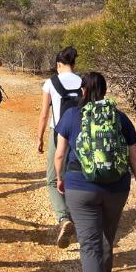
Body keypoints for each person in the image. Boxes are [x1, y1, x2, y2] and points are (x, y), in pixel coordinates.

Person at [54, 72, 136, 272]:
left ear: (83, 91)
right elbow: (135, 158)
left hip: (80, 189)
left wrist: (60, 179)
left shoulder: (72, 116)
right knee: (106, 237)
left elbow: (60, 153)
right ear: (105, 92)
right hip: (116, 188)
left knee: (90, 244)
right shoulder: (120, 118)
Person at [36, 46, 82, 248]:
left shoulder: (50, 83)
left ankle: (64, 218)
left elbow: (45, 114)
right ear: (73, 63)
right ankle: (80, 219)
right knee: (76, 176)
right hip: (82, 136)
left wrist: (39, 137)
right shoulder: (83, 81)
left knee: (53, 180)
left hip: (59, 134)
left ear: (57, 64)